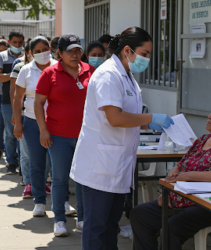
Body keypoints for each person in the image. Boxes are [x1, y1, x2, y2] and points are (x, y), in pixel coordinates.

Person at [69, 27, 170, 249]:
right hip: (100, 166)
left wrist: (150, 123)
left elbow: (128, 115)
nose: (147, 59)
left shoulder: (127, 76)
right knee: (96, 228)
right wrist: (151, 117)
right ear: (127, 50)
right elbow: (115, 118)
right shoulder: (108, 74)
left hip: (117, 165)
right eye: (144, 53)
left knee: (110, 225)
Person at [129, 98, 211, 250]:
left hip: (208, 205)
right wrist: (169, 191)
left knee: (173, 226)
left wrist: (188, 175)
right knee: (139, 214)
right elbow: (179, 166)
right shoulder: (203, 140)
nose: (210, 115)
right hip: (181, 198)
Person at [34, 33, 95, 237]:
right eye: (70, 51)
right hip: (58, 136)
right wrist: (43, 130)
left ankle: (83, 219)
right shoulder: (50, 73)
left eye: (78, 50)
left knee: (83, 179)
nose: (75, 55)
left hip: (86, 136)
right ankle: (59, 219)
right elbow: (38, 103)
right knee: (60, 179)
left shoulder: (90, 71)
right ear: (59, 53)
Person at [14, 36, 57, 208]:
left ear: (50, 49)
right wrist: (18, 123)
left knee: (58, 165)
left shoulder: (58, 67)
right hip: (32, 122)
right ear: (30, 53)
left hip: (57, 122)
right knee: (37, 163)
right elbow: (18, 98)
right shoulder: (26, 70)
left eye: (44, 49)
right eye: (37, 51)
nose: (42, 54)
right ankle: (39, 201)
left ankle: (61, 202)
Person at [0, 31, 24, 174]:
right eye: (14, 42)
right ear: (9, 41)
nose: (17, 45)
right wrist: (15, 75)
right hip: (8, 100)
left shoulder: (27, 55)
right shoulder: (1, 56)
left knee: (24, 136)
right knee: (10, 133)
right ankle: (11, 162)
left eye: (20, 42)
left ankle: (24, 165)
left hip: (27, 101)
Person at [10, 38, 33, 191]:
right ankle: (28, 181)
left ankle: (41, 181)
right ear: (27, 52)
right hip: (25, 114)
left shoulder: (52, 66)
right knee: (25, 152)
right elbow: (15, 93)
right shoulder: (20, 67)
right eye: (34, 52)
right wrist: (16, 115)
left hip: (44, 116)